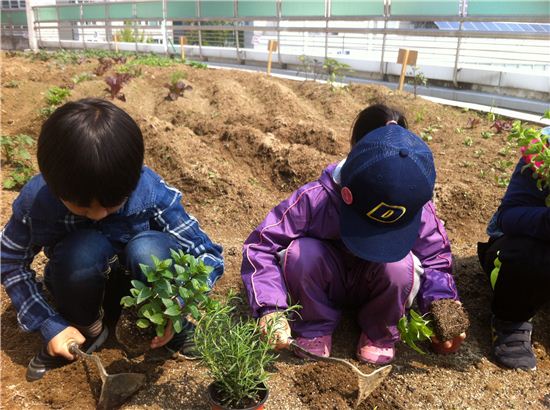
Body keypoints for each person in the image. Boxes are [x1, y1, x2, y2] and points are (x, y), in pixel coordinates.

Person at [0, 98, 224, 381]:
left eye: (113, 203)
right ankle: (86, 328)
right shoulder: (37, 202)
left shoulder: (149, 190)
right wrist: (49, 323)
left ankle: (162, 327)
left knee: (147, 249)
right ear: (55, 186)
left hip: (143, 286)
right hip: (77, 285)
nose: (98, 214)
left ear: (133, 179)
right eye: (81, 206)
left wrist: (176, 304)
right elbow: (10, 261)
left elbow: (206, 253)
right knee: (82, 249)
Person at [241, 104, 466, 365]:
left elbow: (436, 257)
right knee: (302, 253)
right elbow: (261, 245)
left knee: (401, 265)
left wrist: (444, 309)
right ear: (348, 192)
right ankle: (314, 325)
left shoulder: (416, 204)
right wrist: (271, 309)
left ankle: (378, 332)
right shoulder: (318, 198)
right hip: (326, 281)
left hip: (377, 283)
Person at [477, 126, 550, 371]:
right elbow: (511, 216)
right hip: (526, 243)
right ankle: (511, 319)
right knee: (527, 257)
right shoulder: (544, 149)